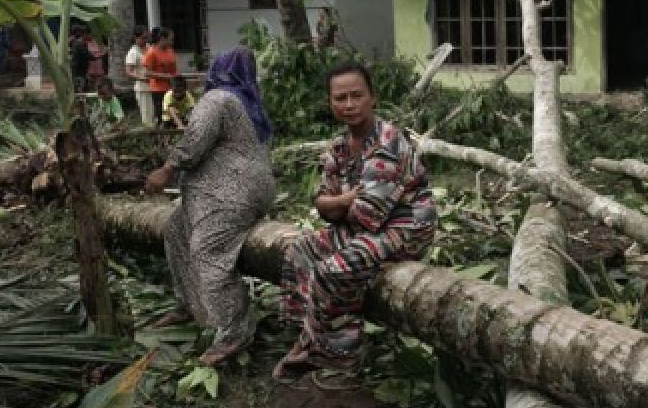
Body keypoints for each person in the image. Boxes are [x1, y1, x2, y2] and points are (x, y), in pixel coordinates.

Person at [273, 62, 437, 380]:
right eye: (340, 98)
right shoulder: (338, 147)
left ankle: (341, 356)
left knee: (334, 270)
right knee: (300, 249)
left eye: (356, 96)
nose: (349, 105)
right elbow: (322, 205)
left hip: (406, 227)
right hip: (364, 226)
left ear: (372, 97)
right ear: (330, 103)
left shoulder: (388, 143)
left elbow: (366, 214)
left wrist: (338, 204)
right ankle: (310, 337)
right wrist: (344, 201)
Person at [144, 47, 276, 366]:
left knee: (209, 249)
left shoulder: (217, 99)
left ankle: (235, 330)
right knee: (176, 231)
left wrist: (167, 169)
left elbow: (195, 140)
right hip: (228, 191)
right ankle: (189, 303)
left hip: (229, 193)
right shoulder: (246, 101)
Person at [143, 27, 178, 115]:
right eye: (170, 40)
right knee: (162, 114)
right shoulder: (151, 52)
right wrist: (167, 76)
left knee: (174, 113)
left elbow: (174, 69)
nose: (172, 42)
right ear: (162, 39)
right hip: (158, 89)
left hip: (172, 87)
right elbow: (147, 73)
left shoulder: (170, 50)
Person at [125, 27, 154, 125]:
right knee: (147, 117)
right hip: (143, 88)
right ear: (135, 38)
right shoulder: (133, 52)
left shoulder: (150, 48)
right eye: (142, 38)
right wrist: (144, 79)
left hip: (155, 86)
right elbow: (129, 72)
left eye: (146, 38)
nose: (145, 40)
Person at [69, 25, 91, 92]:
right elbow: (86, 55)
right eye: (83, 32)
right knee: (80, 87)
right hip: (79, 70)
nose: (85, 34)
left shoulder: (74, 42)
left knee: (78, 86)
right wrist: (98, 56)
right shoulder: (79, 43)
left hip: (77, 69)